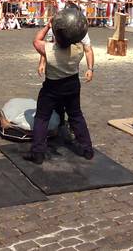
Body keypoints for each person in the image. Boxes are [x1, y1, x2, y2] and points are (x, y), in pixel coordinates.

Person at [25, 16, 95, 164]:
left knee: (42, 117)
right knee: (76, 116)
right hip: (72, 83)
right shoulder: (79, 49)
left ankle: (37, 152)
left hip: (53, 85)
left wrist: (47, 26)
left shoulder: (49, 50)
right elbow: (85, 43)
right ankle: (87, 149)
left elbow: (36, 40)